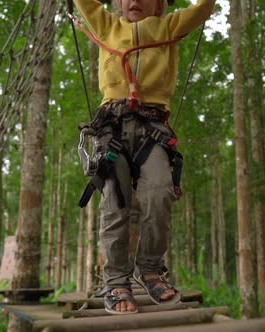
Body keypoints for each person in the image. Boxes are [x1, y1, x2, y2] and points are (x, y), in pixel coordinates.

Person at [73, 0, 215, 315]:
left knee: (160, 191)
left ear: (160, 4)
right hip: (113, 128)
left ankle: (149, 268)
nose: (134, 1)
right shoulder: (107, 25)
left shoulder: (168, 27)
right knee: (115, 202)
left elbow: (203, 8)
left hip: (153, 129)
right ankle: (116, 281)